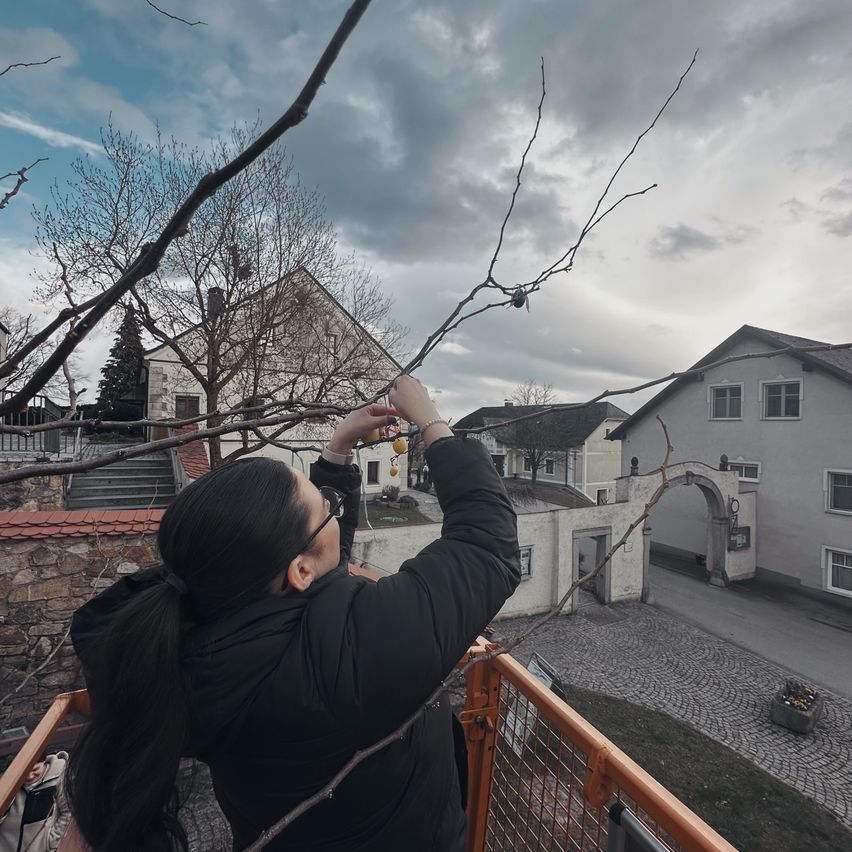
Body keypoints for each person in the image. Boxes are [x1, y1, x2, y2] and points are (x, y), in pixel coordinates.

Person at [68, 376, 520, 851]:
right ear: (298, 570)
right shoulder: (346, 662)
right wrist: (430, 420)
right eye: (324, 506)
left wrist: (339, 450)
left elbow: (318, 578)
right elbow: (487, 545)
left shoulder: (194, 629)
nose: (331, 504)